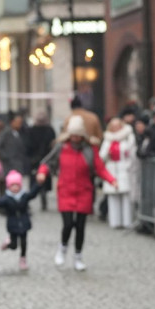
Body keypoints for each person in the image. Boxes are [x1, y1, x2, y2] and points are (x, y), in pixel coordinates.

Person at [36, 115, 116, 271]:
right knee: (67, 224)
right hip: (66, 190)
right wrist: (42, 173)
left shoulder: (89, 150)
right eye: (73, 135)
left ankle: (78, 256)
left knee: (80, 226)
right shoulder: (61, 147)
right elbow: (47, 162)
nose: (75, 138)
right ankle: (63, 247)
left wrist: (111, 180)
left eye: (78, 135)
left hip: (84, 191)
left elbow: (100, 168)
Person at [0, 170, 41, 271]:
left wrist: (38, 184)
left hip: (24, 222)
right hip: (13, 225)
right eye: (12, 185)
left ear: (20, 185)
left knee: (24, 242)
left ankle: (23, 258)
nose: (15, 187)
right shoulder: (6, 198)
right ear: (9, 186)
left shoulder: (24, 196)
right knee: (14, 246)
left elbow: (32, 194)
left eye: (17, 185)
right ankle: (9, 243)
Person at [100, 117, 136, 229]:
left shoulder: (128, 137)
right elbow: (102, 155)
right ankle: (115, 221)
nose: (115, 128)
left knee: (126, 197)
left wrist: (128, 166)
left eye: (117, 126)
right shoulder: (108, 139)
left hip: (124, 168)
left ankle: (127, 221)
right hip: (112, 169)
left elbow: (132, 153)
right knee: (113, 197)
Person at [25, 110, 56, 211]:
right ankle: (43, 197)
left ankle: (34, 195)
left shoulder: (31, 130)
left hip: (35, 159)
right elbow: (53, 145)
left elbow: (28, 145)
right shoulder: (50, 130)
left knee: (35, 179)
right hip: (47, 158)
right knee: (45, 178)